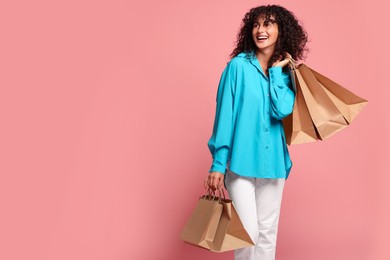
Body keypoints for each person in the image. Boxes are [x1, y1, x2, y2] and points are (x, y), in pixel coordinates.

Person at [205, 5, 308, 260]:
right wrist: (218, 164)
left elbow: (281, 110)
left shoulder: (286, 73)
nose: (261, 30)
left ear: (281, 31)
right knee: (247, 233)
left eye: (268, 24)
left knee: (267, 234)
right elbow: (224, 118)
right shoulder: (237, 67)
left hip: (273, 164)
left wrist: (275, 72)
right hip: (239, 165)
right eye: (256, 25)